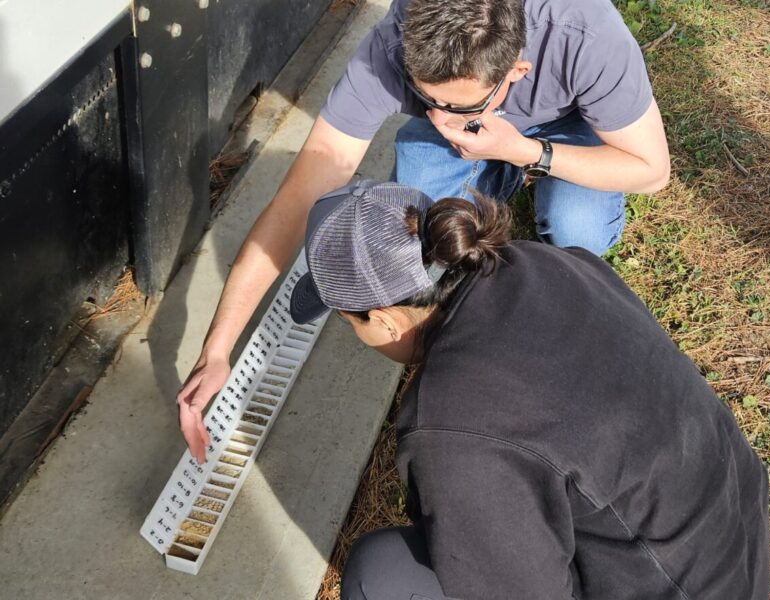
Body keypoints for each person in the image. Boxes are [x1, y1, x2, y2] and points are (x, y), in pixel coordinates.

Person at [177, 0, 670, 447]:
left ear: (518, 69)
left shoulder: (583, 33)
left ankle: (522, 169)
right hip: (498, 123)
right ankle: (493, 172)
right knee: (416, 232)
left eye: (461, 107)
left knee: (575, 232)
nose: (443, 121)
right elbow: (296, 201)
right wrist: (218, 347)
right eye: (425, 100)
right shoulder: (390, 49)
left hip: (571, 124)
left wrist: (524, 151)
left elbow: (651, 170)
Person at [288, 181, 769, 600]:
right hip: (735, 543)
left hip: (677, 588)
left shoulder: (452, 425)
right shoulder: (542, 260)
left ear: (387, 320)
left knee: (381, 573)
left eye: (349, 322)